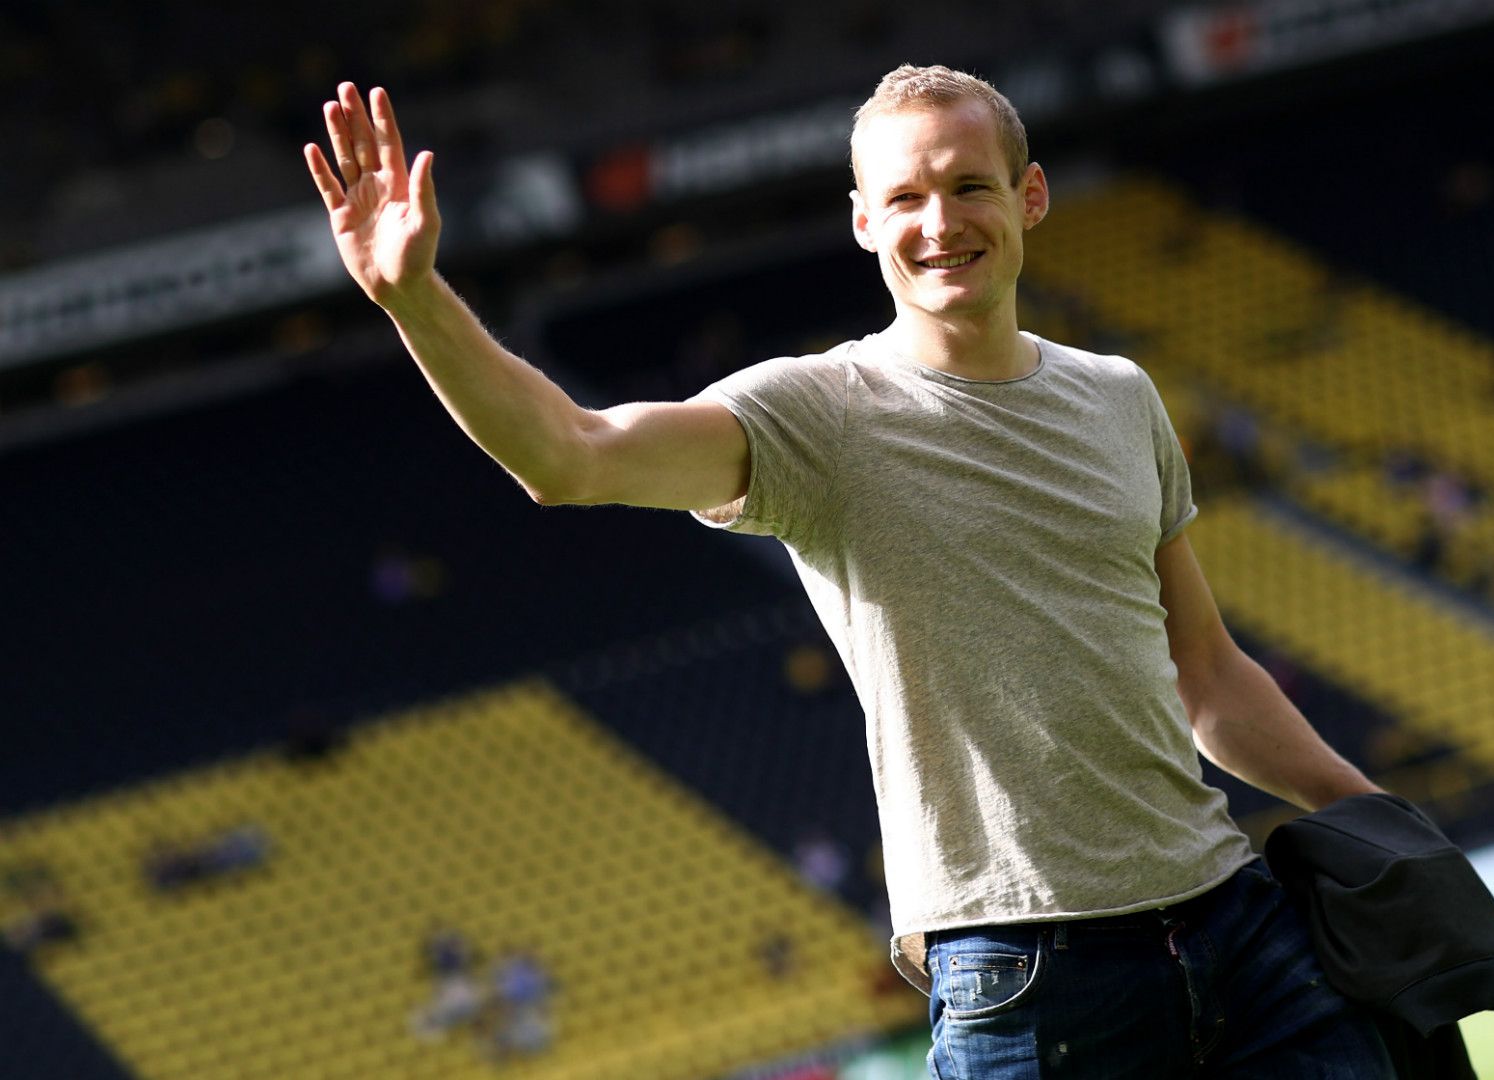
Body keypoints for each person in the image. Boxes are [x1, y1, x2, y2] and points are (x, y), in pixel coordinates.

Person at [305, 65, 1389, 1077]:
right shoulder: (819, 413)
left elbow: (1207, 671)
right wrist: (416, 298)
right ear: (865, 221)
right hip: (1028, 970)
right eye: (906, 197)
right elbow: (571, 457)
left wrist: (1373, 813)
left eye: (969, 187)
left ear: (1031, 197)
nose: (940, 223)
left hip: (1237, 923)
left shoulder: (1119, 395)